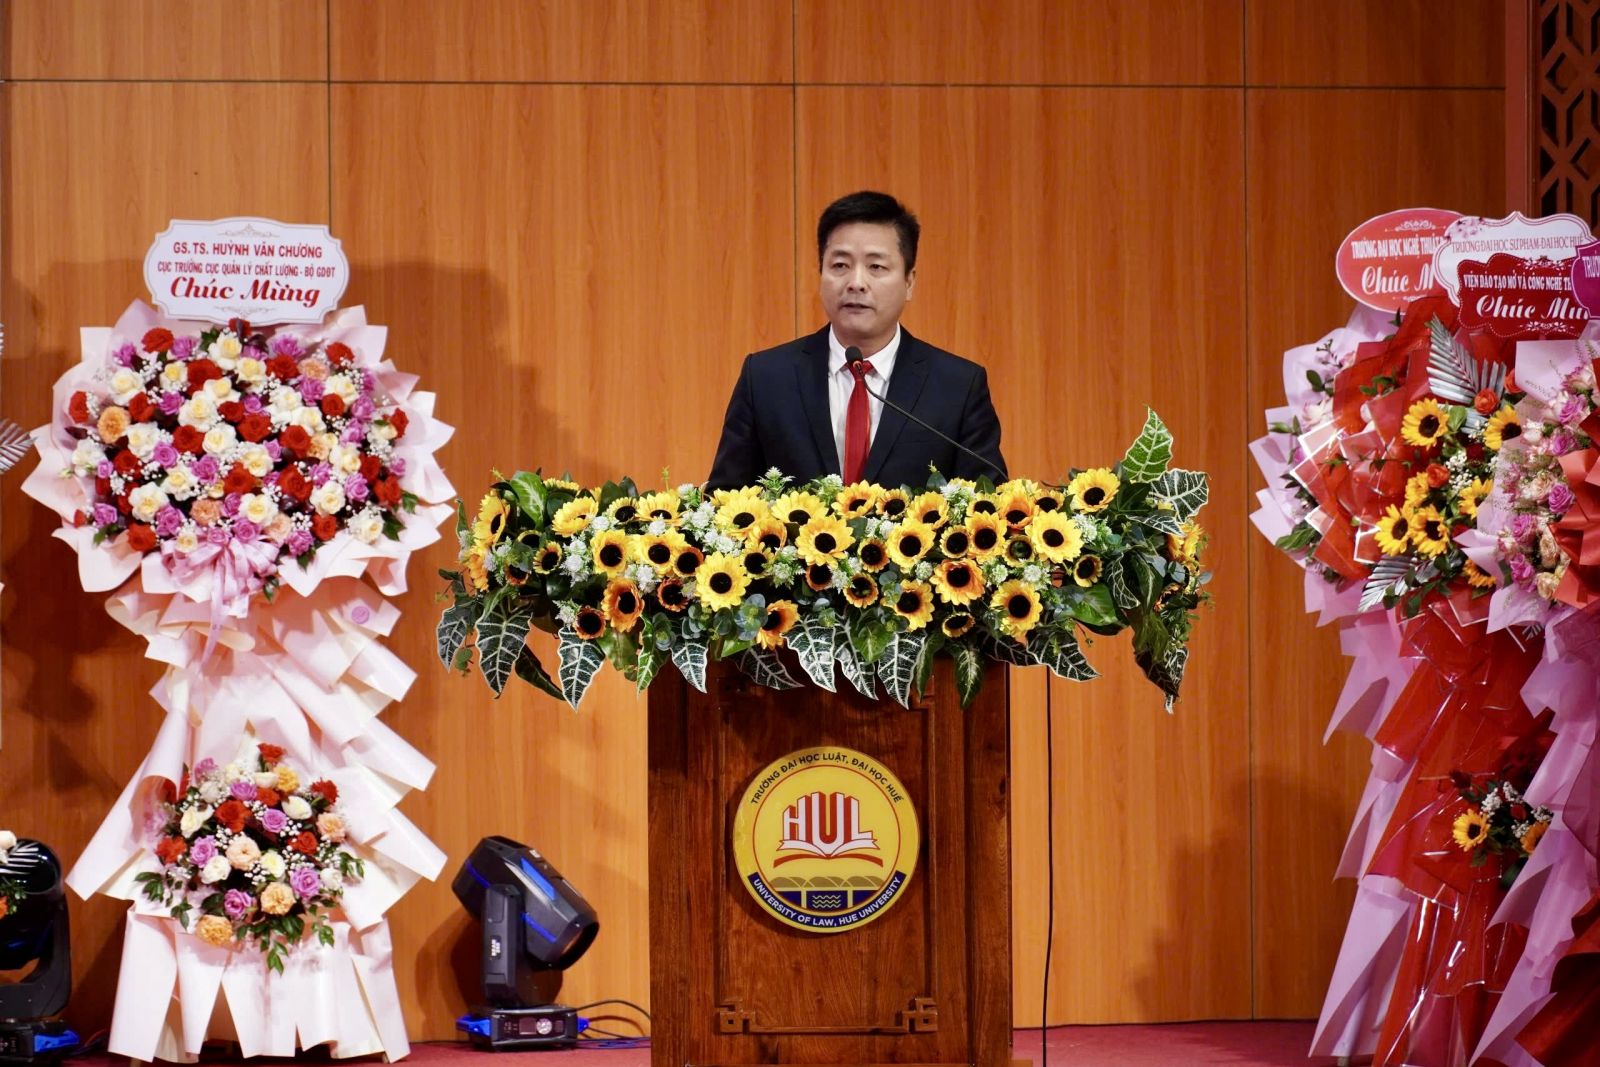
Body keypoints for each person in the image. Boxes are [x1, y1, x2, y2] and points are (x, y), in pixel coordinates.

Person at [706, 191, 1006, 491]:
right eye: (840, 265)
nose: (856, 283)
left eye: (876, 267)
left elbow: (987, 505)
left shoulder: (958, 386)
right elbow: (727, 498)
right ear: (820, 274)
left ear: (909, 282)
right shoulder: (765, 378)